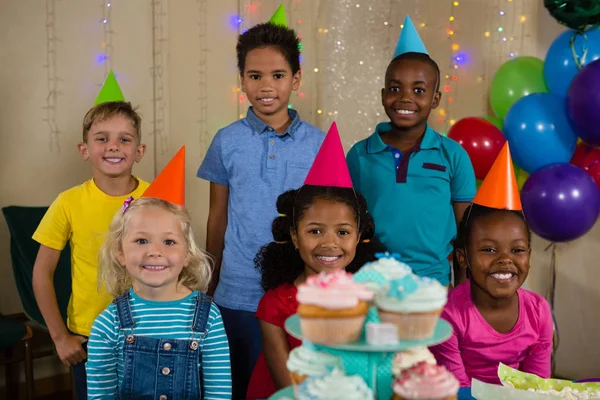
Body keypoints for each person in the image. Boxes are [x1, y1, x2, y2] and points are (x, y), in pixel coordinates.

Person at [197, 20, 324, 397]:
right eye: (255, 75)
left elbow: (329, 221)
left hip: (298, 293)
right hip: (236, 292)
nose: (266, 86)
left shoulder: (319, 143)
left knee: (293, 388)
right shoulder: (226, 141)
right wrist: (211, 276)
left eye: (278, 75)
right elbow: (217, 214)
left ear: (296, 79)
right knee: (237, 386)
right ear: (242, 79)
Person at [246, 123, 383, 399]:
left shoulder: (371, 298)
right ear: (294, 237)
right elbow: (287, 387)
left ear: (359, 237)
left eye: (343, 232)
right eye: (315, 231)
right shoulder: (274, 306)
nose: (329, 243)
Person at [86, 147, 232, 399]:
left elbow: (218, 391)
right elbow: (100, 394)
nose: (155, 252)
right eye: (141, 241)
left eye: (169, 242)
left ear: (187, 254)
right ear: (120, 252)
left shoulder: (208, 317)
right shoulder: (107, 324)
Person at [32, 95, 149, 399]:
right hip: (90, 335)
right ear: (84, 150)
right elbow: (42, 273)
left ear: (139, 151)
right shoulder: (67, 203)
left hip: (150, 331)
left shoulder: (158, 198)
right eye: (102, 138)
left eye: (124, 139)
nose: (113, 146)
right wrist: (59, 337)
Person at [346, 15, 476, 286]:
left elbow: (466, 234)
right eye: (395, 88)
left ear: (435, 99)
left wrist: (464, 295)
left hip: (433, 286)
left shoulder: (453, 156)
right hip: (372, 283)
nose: (405, 98)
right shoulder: (359, 155)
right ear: (383, 95)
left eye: (419, 90)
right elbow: (345, 225)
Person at [430, 144, 553, 387]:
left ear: (529, 254)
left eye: (517, 250)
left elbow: (537, 386)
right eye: (489, 249)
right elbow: (457, 391)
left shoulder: (538, 311)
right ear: (463, 257)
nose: (505, 259)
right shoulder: (448, 316)